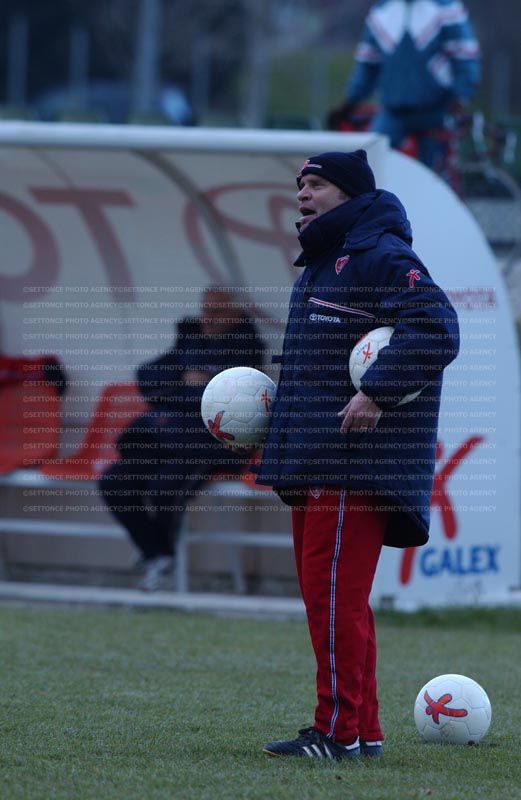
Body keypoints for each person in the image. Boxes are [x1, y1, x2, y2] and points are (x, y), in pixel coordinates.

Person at [255, 150, 459, 759]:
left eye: (316, 184)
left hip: (353, 462)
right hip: (318, 457)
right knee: (333, 600)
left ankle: (335, 734)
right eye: (300, 184)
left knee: (333, 601)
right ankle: (364, 731)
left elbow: (437, 328)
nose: (302, 193)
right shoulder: (323, 263)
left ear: (349, 193)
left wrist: (376, 391)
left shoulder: (382, 256)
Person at [99, 287, 265, 591]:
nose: (208, 318)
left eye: (217, 311)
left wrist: (183, 391)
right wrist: (182, 379)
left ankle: (161, 556)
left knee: (163, 487)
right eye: (205, 310)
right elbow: (146, 376)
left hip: (210, 445)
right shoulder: (189, 341)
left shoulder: (247, 350)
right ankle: (155, 550)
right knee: (114, 482)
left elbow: (225, 404)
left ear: (236, 314)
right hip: (166, 437)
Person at [328, 0, 481, 169]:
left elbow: (464, 55)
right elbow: (368, 63)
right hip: (393, 111)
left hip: (437, 111)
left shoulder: (446, 8)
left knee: (434, 173)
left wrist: (461, 97)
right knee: (369, 160)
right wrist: (351, 101)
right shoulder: (381, 11)